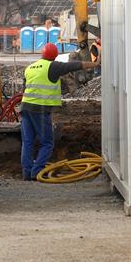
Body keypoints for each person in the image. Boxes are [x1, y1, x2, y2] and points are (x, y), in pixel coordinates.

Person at [20, 42, 97, 181]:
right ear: (55, 56)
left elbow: (25, 86)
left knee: (27, 142)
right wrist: (95, 64)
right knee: (47, 142)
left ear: (42, 54)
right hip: (40, 109)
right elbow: (75, 65)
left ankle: (27, 172)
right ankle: (36, 172)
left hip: (25, 108)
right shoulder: (53, 66)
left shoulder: (30, 67)